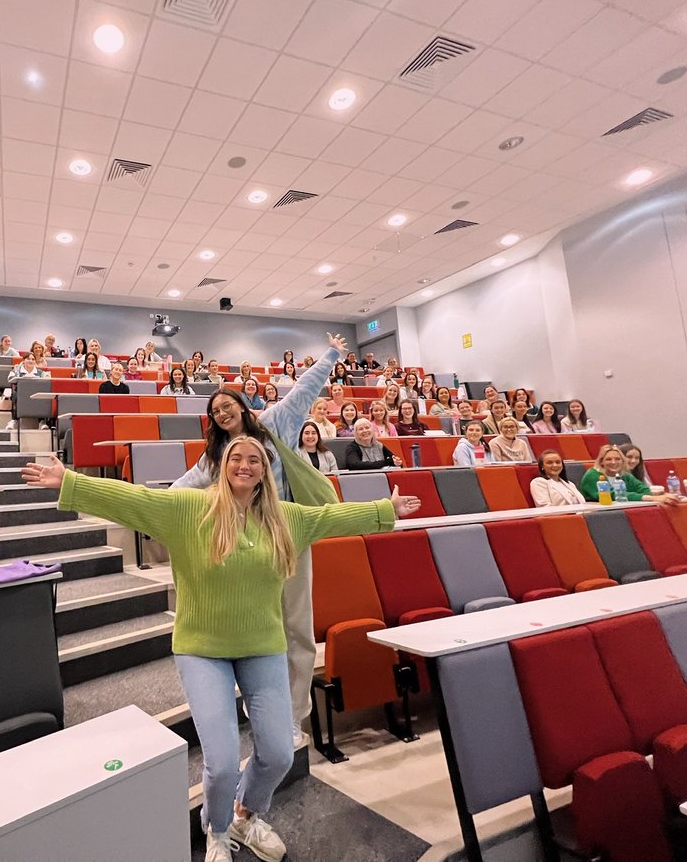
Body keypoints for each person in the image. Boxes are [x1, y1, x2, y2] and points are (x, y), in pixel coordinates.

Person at [22, 438, 419, 862]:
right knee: (223, 762)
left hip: (262, 645)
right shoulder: (191, 508)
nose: (246, 465)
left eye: (255, 460)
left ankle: (245, 815)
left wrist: (385, 510)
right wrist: (72, 482)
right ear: (222, 466)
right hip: (202, 649)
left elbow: (330, 516)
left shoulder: (286, 518)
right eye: (237, 458)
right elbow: (133, 498)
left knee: (279, 752)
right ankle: (216, 828)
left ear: (265, 471)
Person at [171, 334, 348, 749]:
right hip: (246, 548)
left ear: (240, 404)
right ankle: (265, 709)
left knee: (297, 628)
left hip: (287, 534)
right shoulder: (216, 456)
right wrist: (145, 504)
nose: (221, 412)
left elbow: (305, 387)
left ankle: (293, 714)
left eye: (226, 404)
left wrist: (333, 355)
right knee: (258, 631)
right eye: (214, 411)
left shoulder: (277, 423)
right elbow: (182, 488)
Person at [579, 445, 677, 505]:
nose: (613, 462)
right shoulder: (593, 475)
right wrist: (653, 498)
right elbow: (613, 495)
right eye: (608, 459)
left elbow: (642, 489)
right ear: (601, 462)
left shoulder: (624, 475)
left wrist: (664, 496)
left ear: (622, 461)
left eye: (617, 459)